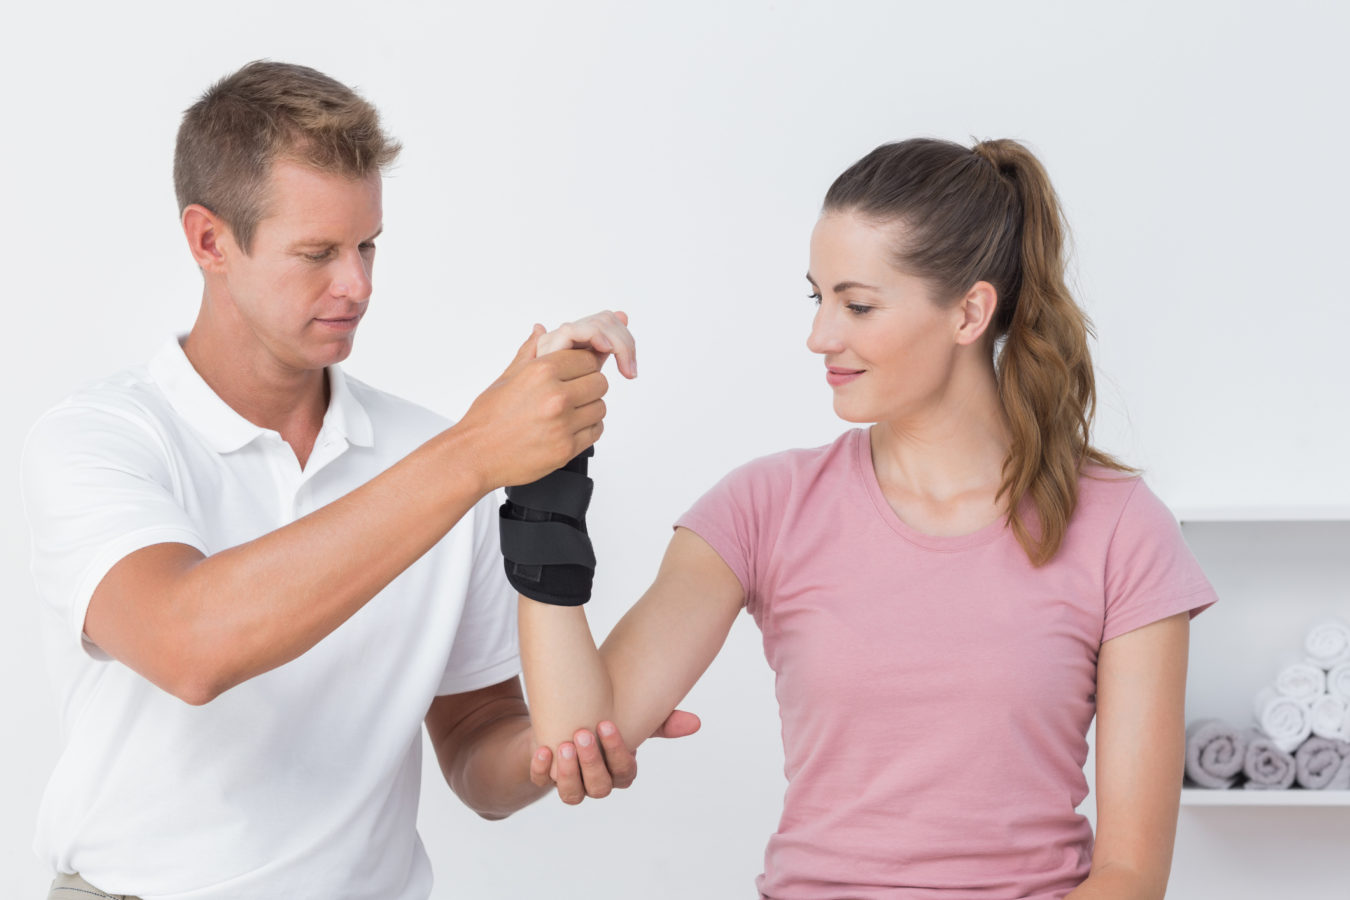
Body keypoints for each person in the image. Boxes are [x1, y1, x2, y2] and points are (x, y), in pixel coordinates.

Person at [19, 60, 692, 900]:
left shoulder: (431, 454)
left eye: (368, 245)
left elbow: (476, 739)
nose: (359, 285)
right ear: (208, 240)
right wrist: (477, 452)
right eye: (318, 253)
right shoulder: (100, 439)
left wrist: (558, 751)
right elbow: (188, 646)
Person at [518, 137, 1218, 899]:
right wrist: (543, 480)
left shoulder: (1120, 526)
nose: (820, 336)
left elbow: (1129, 873)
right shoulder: (763, 508)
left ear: (969, 312)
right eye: (817, 298)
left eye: (857, 305)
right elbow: (579, 735)